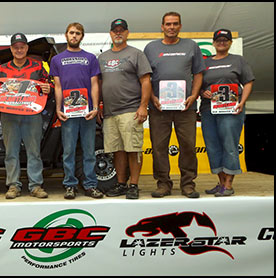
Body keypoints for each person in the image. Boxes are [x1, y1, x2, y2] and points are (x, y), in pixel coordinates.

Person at [143, 12, 205, 198]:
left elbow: (199, 73)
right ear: (162, 27)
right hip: (159, 108)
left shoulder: (191, 46)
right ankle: (163, 184)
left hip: (185, 108)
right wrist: (152, 98)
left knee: (187, 145)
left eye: (175, 24)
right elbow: (146, 77)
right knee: (159, 147)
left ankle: (188, 184)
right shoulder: (151, 48)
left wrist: (194, 96)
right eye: (168, 24)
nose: (171, 27)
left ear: (180, 26)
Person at [0, 33, 52, 199]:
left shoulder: (38, 66)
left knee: (34, 152)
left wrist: (48, 88)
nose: (19, 50)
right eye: (15, 47)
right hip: (9, 116)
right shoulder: (1, 69)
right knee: (11, 152)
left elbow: (49, 83)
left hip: (32, 115)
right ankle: (13, 186)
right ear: (11, 49)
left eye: (22, 46)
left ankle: (36, 185)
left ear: (27, 48)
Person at [98, 19, 153, 199]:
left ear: (127, 33)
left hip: (131, 109)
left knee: (133, 148)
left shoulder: (136, 54)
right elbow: (99, 83)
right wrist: (99, 104)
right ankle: (121, 183)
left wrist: (143, 106)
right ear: (111, 33)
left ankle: (134, 185)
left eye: (122, 30)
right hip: (110, 112)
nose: (118, 33)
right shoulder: (103, 57)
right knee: (117, 150)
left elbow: (146, 81)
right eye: (115, 30)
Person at [50, 22, 104, 199]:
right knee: (68, 151)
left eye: (78, 33)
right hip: (68, 114)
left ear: (82, 36)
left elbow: (95, 84)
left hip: (87, 112)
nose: (74, 36)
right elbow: (57, 86)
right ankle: (70, 185)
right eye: (71, 33)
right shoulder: (57, 60)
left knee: (89, 151)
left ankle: (90, 185)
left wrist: (95, 107)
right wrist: (58, 109)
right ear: (66, 35)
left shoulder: (90, 58)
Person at [200, 29, 255, 197]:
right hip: (209, 109)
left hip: (231, 109)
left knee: (229, 144)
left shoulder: (238, 60)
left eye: (225, 40)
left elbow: (248, 82)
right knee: (212, 145)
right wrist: (203, 92)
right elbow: (198, 84)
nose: (221, 42)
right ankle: (221, 182)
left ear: (230, 42)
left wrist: (242, 101)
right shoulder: (205, 62)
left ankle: (228, 185)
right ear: (213, 43)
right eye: (218, 40)